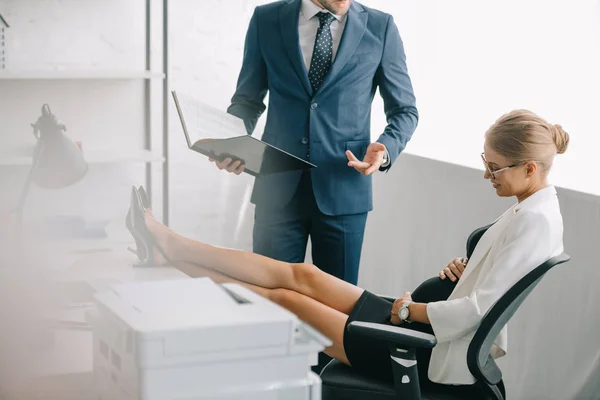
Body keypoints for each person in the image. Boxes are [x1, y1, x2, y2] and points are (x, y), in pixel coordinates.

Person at [127, 109, 568, 391]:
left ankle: (168, 252)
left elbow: (476, 312)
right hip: (420, 324)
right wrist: (466, 268)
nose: (486, 175)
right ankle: (171, 242)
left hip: (422, 346)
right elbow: (493, 280)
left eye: (493, 168)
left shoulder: (534, 221)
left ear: (529, 167)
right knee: (301, 274)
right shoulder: (532, 208)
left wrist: (404, 311)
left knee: (286, 300)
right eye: (484, 162)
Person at [210, 0, 418, 289]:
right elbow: (247, 100)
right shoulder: (266, 19)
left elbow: (405, 111)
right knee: (269, 301)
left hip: (344, 189)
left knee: (336, 311)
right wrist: (231, 142)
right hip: (277, 188)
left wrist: (385, 149)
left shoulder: (381, 27)